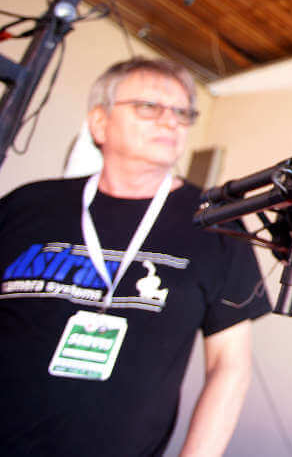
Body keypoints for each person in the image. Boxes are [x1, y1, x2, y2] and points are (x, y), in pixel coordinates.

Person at [0, 58, 271, 456]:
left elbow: (228, 366)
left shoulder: (217, 224)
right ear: (99, 122)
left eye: (182, 113)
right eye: (149, 107)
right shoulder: (27, 205)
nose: (170, 121)